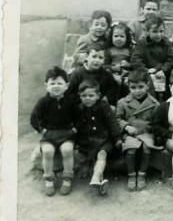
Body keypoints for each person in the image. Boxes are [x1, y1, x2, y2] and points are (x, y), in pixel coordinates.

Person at [30, 66, 79, 196]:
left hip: (66, 134)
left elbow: (79, 117)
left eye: (59, 83)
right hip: (49, 136)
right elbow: (34, 118)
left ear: (66, 86)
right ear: (46, 85)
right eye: (52, 83)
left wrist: (74, 129)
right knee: (47, 151)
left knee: (67, 150)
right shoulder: (43, 102)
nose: (56, 86)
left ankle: (67, 179)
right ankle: (49, 180)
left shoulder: (71, 101)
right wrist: (42, 130)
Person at [75, 80, 122, 196]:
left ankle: (96, 177)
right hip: (88, 141)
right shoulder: (79, 109)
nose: (87, 98)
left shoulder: (104, 107)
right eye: (84, 96)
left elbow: (112, 123)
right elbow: (78, 126)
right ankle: (99, 181)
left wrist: (117, 138)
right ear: (80, 96)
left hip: (104, 140)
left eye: (91, 96)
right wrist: (76, 140)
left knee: (102, 154)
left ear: (98, 95)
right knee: (92, 156)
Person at [116, 69, 159, 192]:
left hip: (146, 132)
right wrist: (126, 126)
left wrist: (149, 129)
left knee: (146, 148)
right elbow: (117, 118)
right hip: (130, 133)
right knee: (131, 149)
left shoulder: (154, 104)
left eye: (141, 87)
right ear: (128, 87)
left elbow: (156, 122)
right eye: (133, 88)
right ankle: (131, 175)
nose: (137, 91)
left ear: (147, 85)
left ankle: (141, 174)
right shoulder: (123, 102)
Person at [131, 14, 173, 98]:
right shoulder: (142, 44)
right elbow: (135, 59)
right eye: (155, 32)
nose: (158, 34)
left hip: (163, 72)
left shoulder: (166, 43)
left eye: (161, 31)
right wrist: (146, 70)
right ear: (147, 32)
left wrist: (163, 70)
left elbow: (171, 59)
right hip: (147, 72)